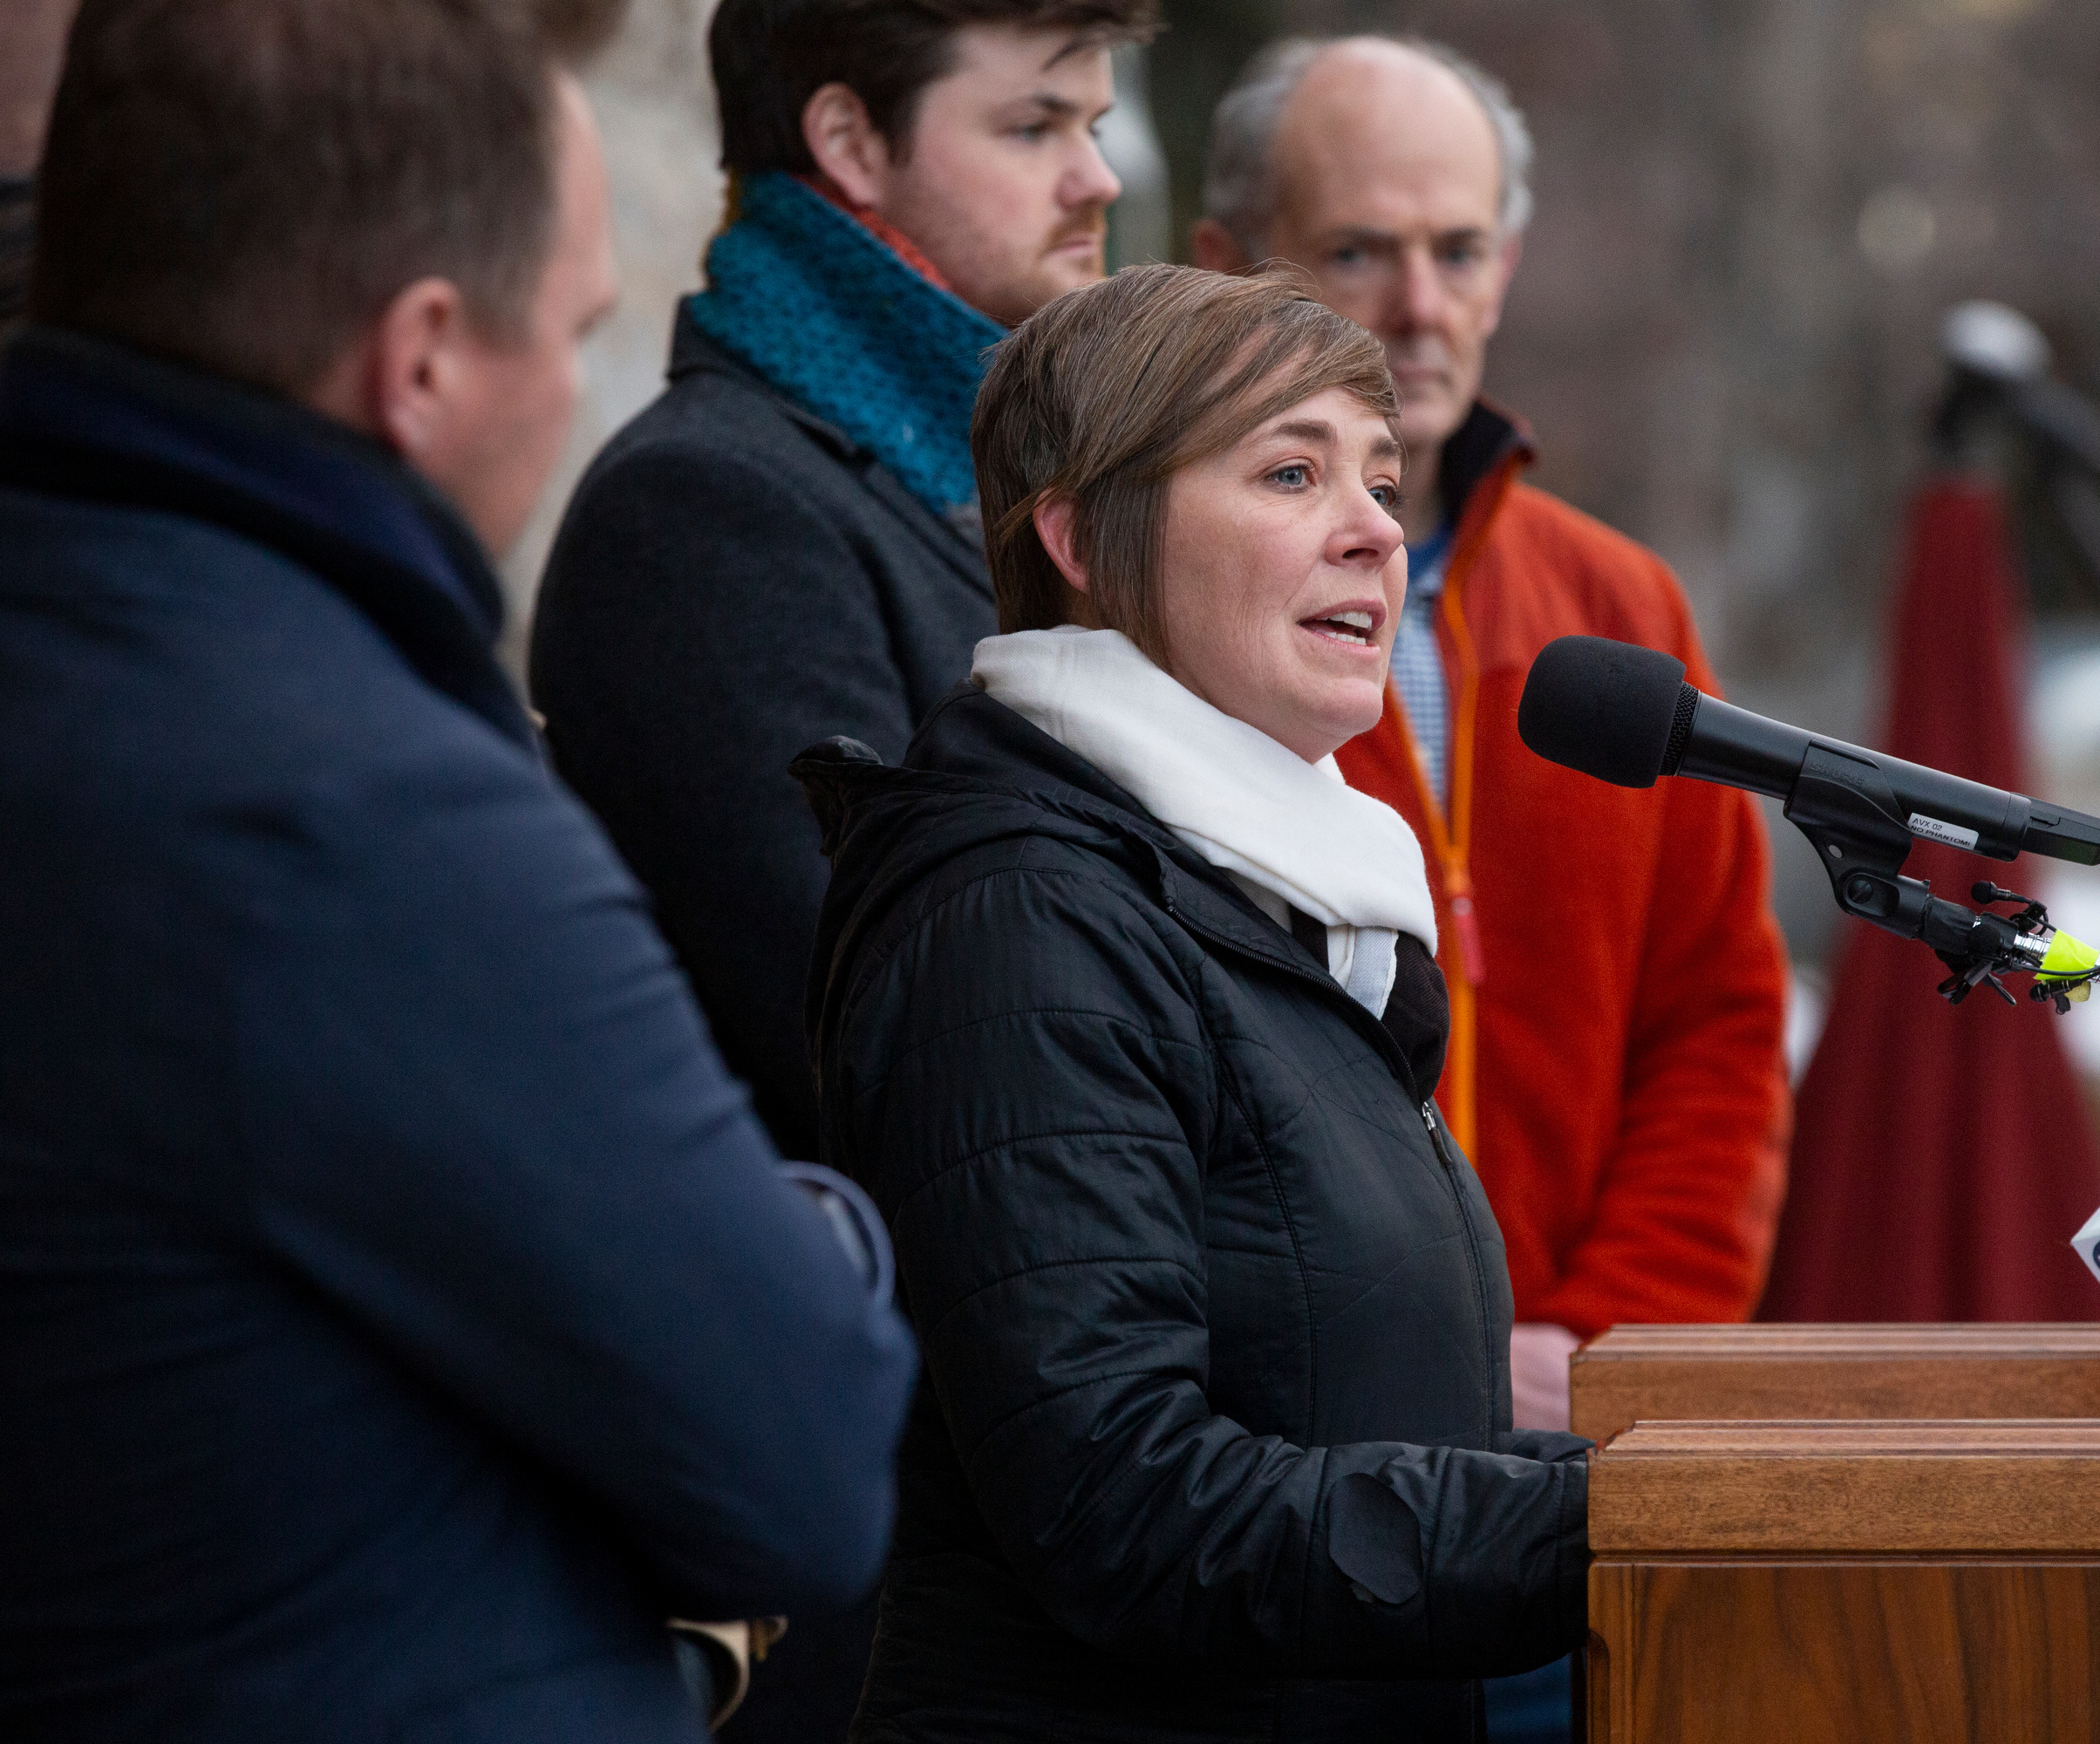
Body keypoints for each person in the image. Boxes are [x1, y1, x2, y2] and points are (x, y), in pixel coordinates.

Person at [0, 3, 918, 1740]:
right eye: (576, 330)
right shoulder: (353, 811)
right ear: (420, 358)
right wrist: (825, 1241)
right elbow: (798, 1455)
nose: (579, 388)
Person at [794, 262, 1589, 1742]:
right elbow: (1125, 1499)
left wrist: (1697, 1490)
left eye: (1380, 477)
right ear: (1083, 534)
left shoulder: (1273, 908)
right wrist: (1607, 1539)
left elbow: (1359, 1420)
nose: (1373, 531)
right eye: (1292, 472)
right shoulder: (1022, 919)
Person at [1194, 36, 1794, 1409]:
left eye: (1460, 252)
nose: (1418, 306)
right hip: (1284, 1452)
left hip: (1592, 1432)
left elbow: (1719, 1026)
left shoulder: (1620, 603)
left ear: (1507, 269)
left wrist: (1603, 1349)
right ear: (1226, 265)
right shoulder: (1165, 618)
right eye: (1357, 253)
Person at [530, 0, 1157, 1168]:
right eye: (1035, 128)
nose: (1096, 179)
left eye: (1095, 125)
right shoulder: (708, 511)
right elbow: (879, 1030)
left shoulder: (990, 483)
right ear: (852, 142)